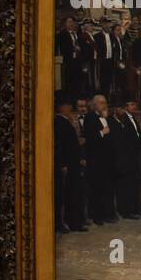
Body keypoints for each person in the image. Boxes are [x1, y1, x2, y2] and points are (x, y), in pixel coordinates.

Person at [81, 94, 117, 225]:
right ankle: (97, 216)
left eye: (105, 102)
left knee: (107, 188)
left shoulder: (108, 118)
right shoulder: (90, 117)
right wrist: (102, 132)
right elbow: (88, 138)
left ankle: (108, 213)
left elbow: (113, 136)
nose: (104, 105)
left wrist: (108, 120)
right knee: (96, 189)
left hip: (108, 160)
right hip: (96, 160)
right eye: (101, 103)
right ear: (94, 104)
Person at [53, 95, 86, 233]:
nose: (70, 108)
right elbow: (59, 146)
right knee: (65, 196)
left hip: (73, 163)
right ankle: (63, 224)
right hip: (67, 165)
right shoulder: (58, 122)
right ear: (61, 107)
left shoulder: (66, 121)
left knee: (74, 194)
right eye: (67, 105)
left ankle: (74, 222)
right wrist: (63, 164)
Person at [112, 98, 141, 219]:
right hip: (125, 158)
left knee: (134, 184)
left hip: (134, 156)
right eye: (131, 104)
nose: (134, 107)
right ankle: (126, 210)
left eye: (134, 104)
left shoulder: (132, 118)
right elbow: (126, 139)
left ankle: (135, 208)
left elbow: (139, 134)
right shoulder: (124, 119)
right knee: (125, 186)